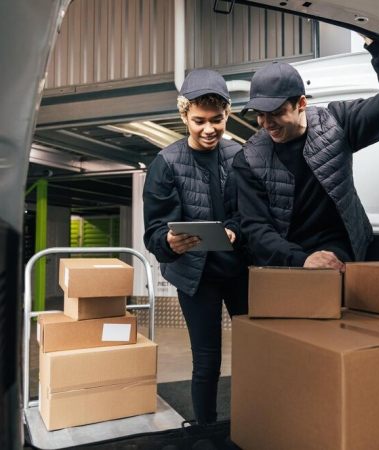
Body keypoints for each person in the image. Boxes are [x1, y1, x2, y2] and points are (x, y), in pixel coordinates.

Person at [232, 36, 379, 271]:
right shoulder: (249, 159)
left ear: (301, 103)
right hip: (284, 260)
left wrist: (377, 45)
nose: (266, 123)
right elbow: (257, 228)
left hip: (339, 250)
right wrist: (300, 259)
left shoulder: (336, 124)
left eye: (276, 113)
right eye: (259, 114)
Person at [143, 69, 248, 425]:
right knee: (207, 360)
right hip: (194, 276)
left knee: (256, 352)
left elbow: (248, 212)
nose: (209, 129)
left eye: (216, 120)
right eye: (199, 120)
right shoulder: (167, 163)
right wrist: (168, 242)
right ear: (184, 115)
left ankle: (257, 421)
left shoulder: (240, 156)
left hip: (239, 273)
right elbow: (154, 230)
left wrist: (234, 229)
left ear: (227, 114)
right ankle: (204, 428)